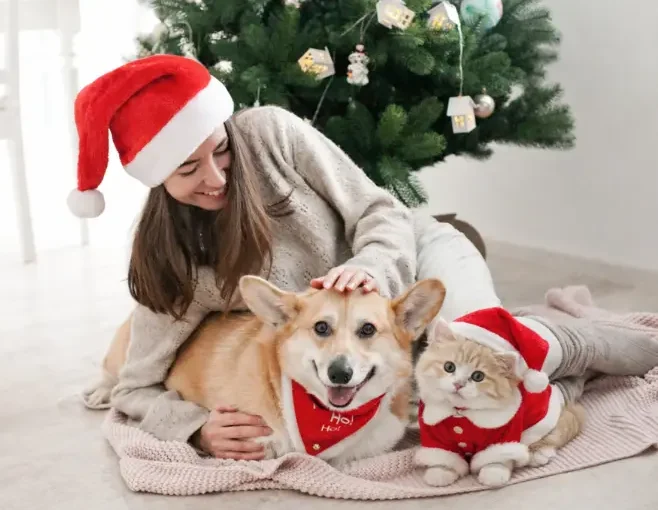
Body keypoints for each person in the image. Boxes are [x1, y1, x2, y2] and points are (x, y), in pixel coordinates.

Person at [71, 55, 501, 460]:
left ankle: (561, 346)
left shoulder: (270, 132)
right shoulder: (178, 264)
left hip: (408, 253)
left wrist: (368, 267)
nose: (217, 177)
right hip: (336, 334)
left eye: (221, 149)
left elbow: (379, 210)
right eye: (187, 169)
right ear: (156, 176)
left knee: (493, 351)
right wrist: (195, 429)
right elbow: (134, 387)